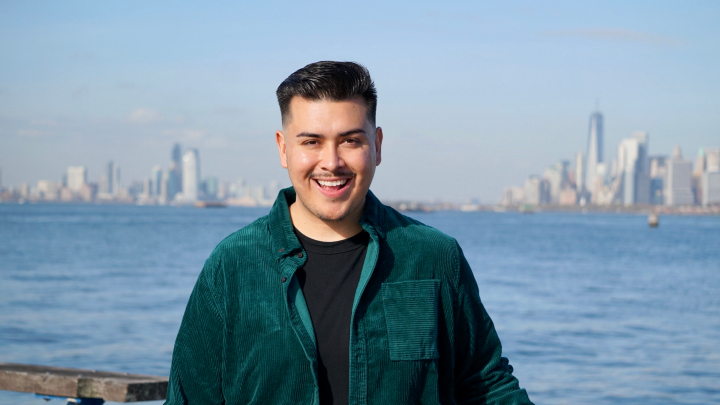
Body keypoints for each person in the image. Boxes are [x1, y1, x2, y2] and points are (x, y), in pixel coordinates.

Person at [165, 61, 533, 404]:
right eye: (311, 142)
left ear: (377, 146)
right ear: (283, 148)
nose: (331, 162)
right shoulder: (233, 265)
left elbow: (487, 386)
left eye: (350, 141)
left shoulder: (433, 257)